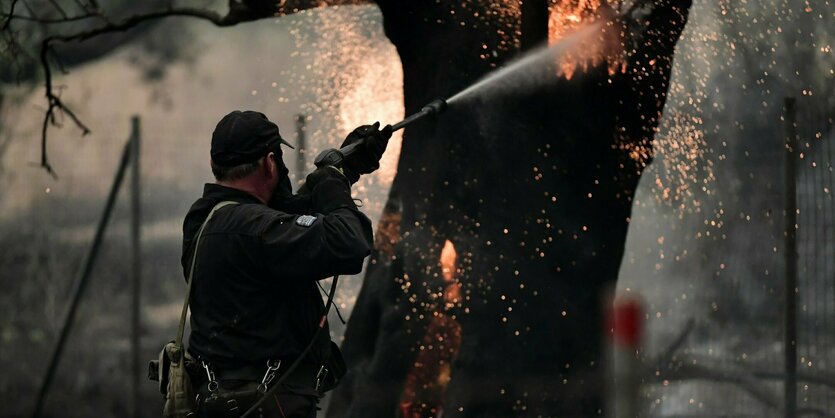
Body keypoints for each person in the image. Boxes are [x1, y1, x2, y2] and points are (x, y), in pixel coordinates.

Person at [181, 110, 391, 417]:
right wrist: (332, 185)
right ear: (269, 162)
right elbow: (349, 241)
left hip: (230, 399)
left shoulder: (207, 217)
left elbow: (281, 223)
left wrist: (346, 169)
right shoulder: (256, 230)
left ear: (215, 164)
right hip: (266, 405)